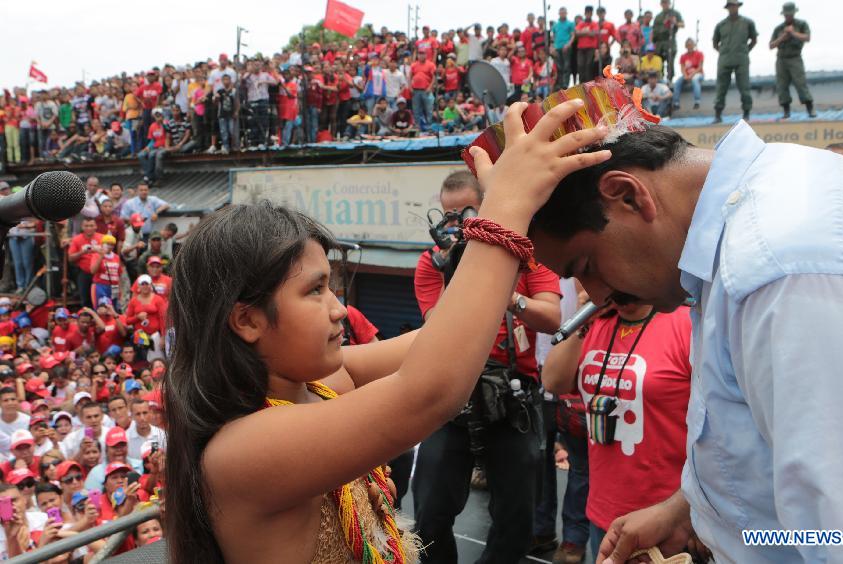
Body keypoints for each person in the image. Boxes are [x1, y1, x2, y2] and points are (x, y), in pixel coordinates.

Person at [161, 99, 608, 563]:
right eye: (315, 291)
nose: (339, 309)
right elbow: (430, 390)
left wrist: (498, 231)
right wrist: (504, 209)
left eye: (332, 286)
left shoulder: (319, 383)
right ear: (248, 320)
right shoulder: (242, 449)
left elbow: (434, 346)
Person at [517, 113, 843, 562]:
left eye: (586, 267)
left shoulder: (778, 272)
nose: (598, 296)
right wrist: (690, 512)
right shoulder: (754, 228)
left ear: (627, 195)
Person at [413, 171, 562, 563]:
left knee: (517, 519)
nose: (455, 224)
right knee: (428, 515)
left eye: (465, 212)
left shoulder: (524, 254)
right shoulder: (432, 264)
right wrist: (458, 272)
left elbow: (550, 316)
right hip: (453, 395)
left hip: (513, 398)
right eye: (447, 215)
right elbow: (437, 328)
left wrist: (505, 292)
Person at [542, 288, 692, 561]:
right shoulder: (596, 324)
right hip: (604, 509)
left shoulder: (685, 322)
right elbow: (553, 381)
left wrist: (690, 515)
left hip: (666, 516)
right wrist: (583, 318)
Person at [712, 0, 758, 123]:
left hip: (741, 59)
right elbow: (715, 43)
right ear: (727, 8)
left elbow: (754, 39)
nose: (733, 8)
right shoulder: (721, 25)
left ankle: (746, 113)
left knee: (744, 87)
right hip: (724, 60)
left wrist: (745, 51)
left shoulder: (748, 23)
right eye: (730, 6)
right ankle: (718, 114)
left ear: (738, 6)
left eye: (735, 6)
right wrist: (723, 52)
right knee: (721, 88)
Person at [770, 2, 815, 119]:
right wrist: (783, 37)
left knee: (800, 83)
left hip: (795, 58)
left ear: (794, 13)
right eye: (786, 15)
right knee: (782, 85)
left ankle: (810, 109)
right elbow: (771, 45)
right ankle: (786, 111)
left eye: (790, 14)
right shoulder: (779, 29)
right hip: (781, 59)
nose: (788, 16)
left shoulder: (801, 24)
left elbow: (807, 37)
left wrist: (793, 33)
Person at [67, 218, 103, 307]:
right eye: (86, 226)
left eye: (91, 226)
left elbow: (110, 254)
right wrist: (82, 252)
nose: (89, 228)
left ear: (96, 227)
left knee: (101, 300)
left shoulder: (102, 238)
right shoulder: (77, 239)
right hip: (84, 273)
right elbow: (70, 258)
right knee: (85, 300)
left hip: (100, 273)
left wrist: (99, 250)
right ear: (82, 227)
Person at [652, 0, 684, 83]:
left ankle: (670, 80)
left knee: (670, 62)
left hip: (670, 42)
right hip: (659, 43)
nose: (665, 4)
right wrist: (653, 43)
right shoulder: (658, 16)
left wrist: (674, 22)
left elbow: (682, 24)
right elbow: (654, 30)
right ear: (661, 4)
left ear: (669, 3)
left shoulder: (674, 13)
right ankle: (660, 81)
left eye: (666, 2)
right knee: (659, 63)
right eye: (663, 2)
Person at [90, 234, 122, 310]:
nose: (110, 246)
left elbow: (119, 274)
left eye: (112, 244)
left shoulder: (116, 257)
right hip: (100, 286)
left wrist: (120, 290)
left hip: (114, 287)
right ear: (102, 244)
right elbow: (93, 270)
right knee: (101, 309)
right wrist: (101, 256)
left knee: (113, 308)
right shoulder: (96, 255)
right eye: (108, 244)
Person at [672, 38, 704, 112]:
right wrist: (686, 75)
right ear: (686, 46)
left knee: (695, 80)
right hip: (687, 75)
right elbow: (682, 68)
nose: (690, 46)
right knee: (677, 82)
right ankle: (676, 103)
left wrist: (692, 75)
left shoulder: (699, 54)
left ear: (694, 45)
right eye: (688, 45)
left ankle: (697, 101)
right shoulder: (683, 56)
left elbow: (700, 67)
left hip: (698, 74)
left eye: (691, 45)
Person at [410, 50, 437, 131]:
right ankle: (417, 127)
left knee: (429, 109)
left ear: (426, 55)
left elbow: (434, 77)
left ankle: (429, 127)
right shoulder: (414, 65)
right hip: (415, 90)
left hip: (426, 90)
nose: (421, 56)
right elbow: (409, 76)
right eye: (420, 54)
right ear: (417, 55)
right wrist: (410, 87)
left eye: (423, 54)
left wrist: (430, 87)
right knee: (416, 110)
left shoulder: (431, 65)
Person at [552, 7, 576, 90]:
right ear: (559, 13)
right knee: (559, 67)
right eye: (561, 12)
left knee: (566, 66)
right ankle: (560, 84)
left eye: (564, 12)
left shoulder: (570, 23)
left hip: (566, 47)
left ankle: (565, 84)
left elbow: (573, 35)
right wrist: (554, 47)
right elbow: (553, 37)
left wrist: (568, 44)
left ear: (566, 13)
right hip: (557, 47)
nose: (562, 14)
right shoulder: (555, 25)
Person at [575, 5, 599, 84]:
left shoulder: (595, 23)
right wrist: (587, 31)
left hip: (591, 48)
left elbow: (593, 33)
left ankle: (589, 85)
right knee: (580, 66)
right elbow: (576, 33)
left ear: (592, 13)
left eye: (590, 13)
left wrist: (583, 32)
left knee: (589, 66)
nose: (588, 14)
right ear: (585, 13)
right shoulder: (581, 23)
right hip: (581, 48)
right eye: (587, 12)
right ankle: (581, 84)